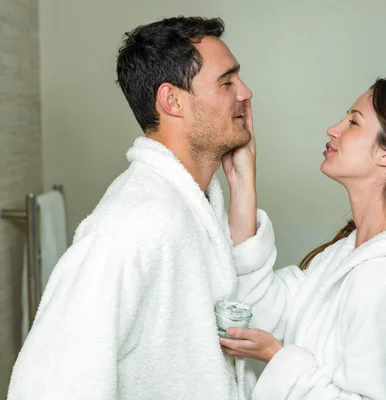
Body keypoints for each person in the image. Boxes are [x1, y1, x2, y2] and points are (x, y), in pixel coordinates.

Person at [8, 16, 262, 400]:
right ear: (172, 100)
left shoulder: (187, 206)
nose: (245, 92)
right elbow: (49, 385)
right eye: (227, 82)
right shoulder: (132, 223)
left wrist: (243, 187)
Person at [220, 78, 386, 399]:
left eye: (353, 122)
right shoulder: (343, 258)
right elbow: (256, 309)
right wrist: (242, 181)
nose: (333, 129)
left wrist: (277, 358)